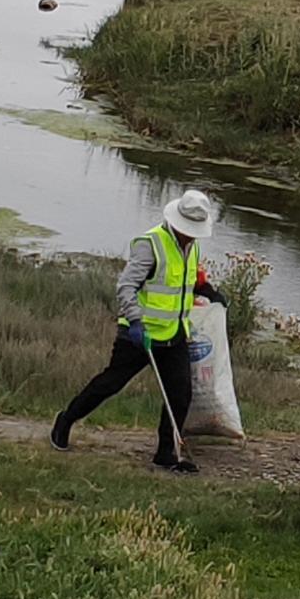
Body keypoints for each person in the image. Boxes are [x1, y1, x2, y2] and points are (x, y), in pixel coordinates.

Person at [51, 189, 224, 471]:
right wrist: (135, 321)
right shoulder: (150, 243)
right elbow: (126, 287)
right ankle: (66, 419)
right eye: (188, 230)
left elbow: (188, 282)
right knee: (111, 383)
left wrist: (209, 292)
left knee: (179, 395)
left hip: (174, 333)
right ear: (176, 222)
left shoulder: (191, 247)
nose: (191, 235)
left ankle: (166, 453)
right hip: (140, 335)